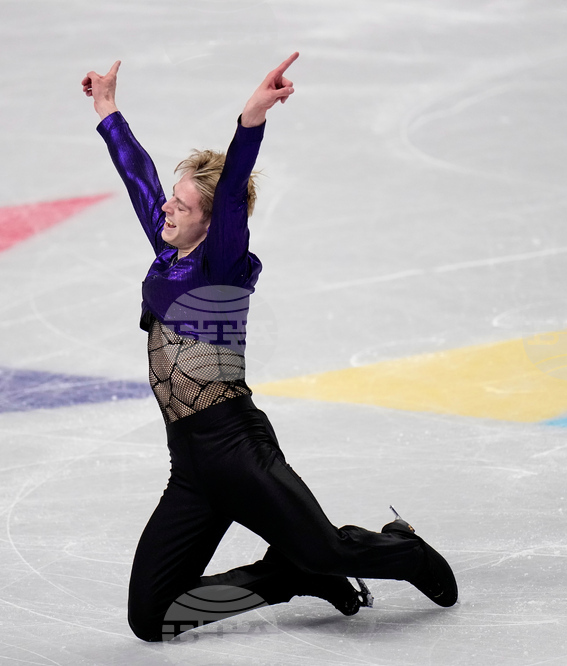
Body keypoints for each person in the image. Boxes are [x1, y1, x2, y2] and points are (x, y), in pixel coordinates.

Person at [82, 52, 458, 643]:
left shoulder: (221, 263)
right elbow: (140, 180)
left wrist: (251, 119)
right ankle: (284, 575)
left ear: (209, 223)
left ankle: (405, 553)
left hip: (237, 449)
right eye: (171, 201)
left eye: (181, 206)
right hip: (192, 465)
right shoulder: (169, 252)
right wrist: (107, 109)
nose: (166, 210)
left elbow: (230, 195)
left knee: (331, 550)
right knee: (151, 618)